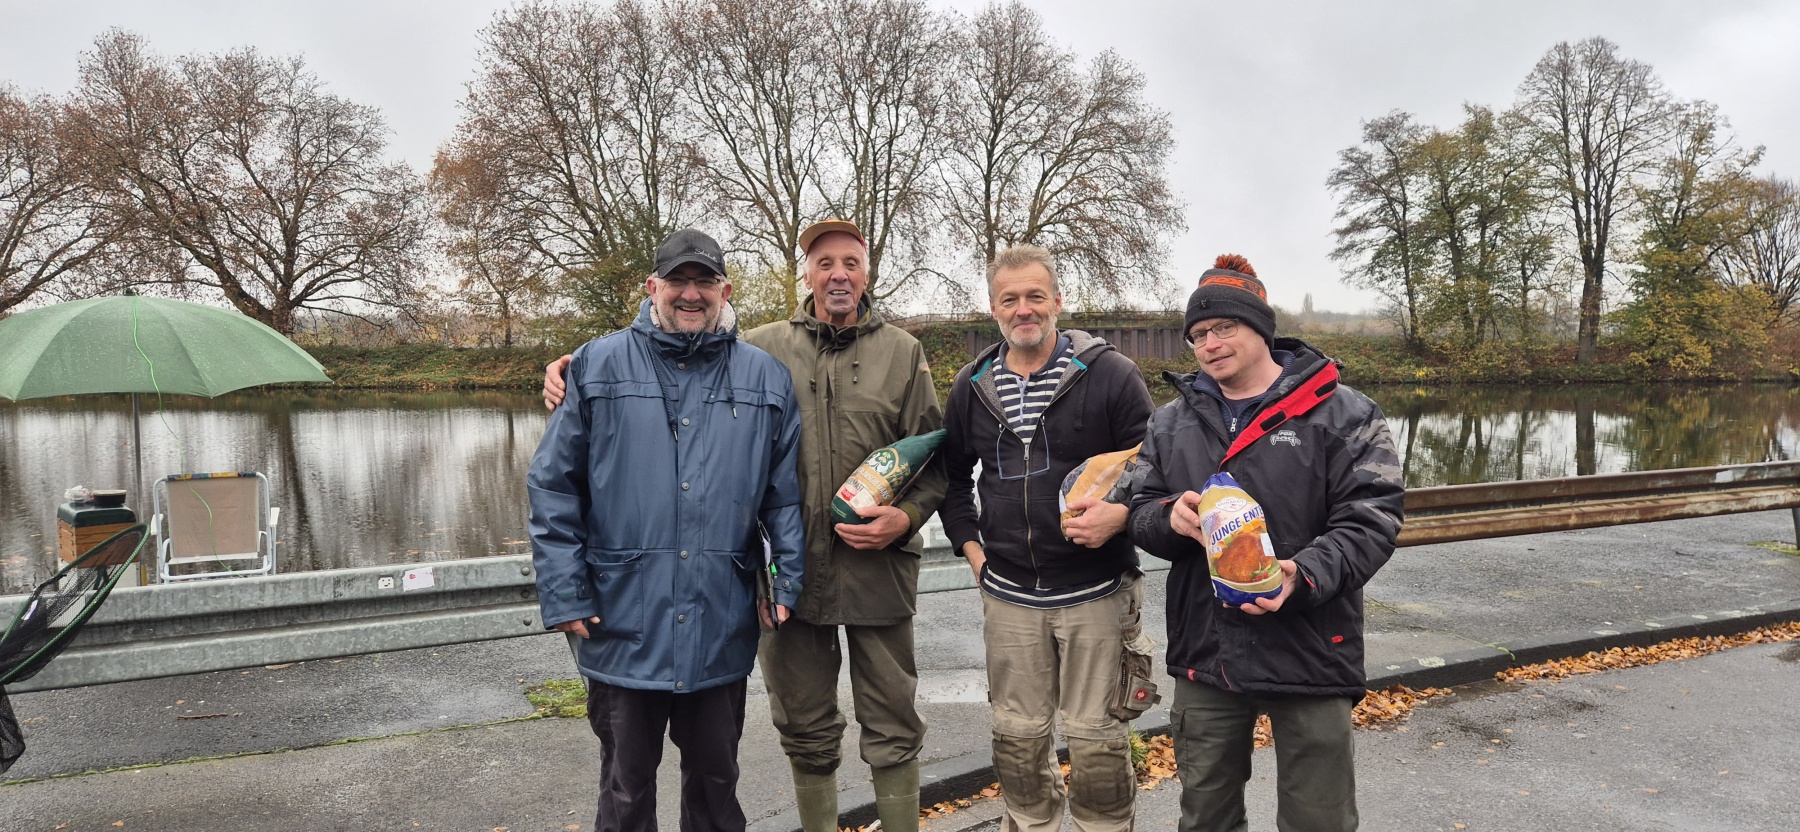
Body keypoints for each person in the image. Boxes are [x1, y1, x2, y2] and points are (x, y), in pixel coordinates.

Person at [543, 219, 946, 832]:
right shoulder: (759, 349)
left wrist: (906, 517)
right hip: (731, 600)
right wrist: (569, 371)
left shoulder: (891, 353)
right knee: (796, 732)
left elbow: (930, 459)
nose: (838, 275)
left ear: (868, 273)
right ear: (806, 274)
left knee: (886, 728)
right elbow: (563, 473)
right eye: (824, 263)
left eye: (851, 263)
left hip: (864, 576)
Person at [528, 228, 806, 832]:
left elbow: (782, 498)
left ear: (725, 290)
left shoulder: (766, 377)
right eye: (678, 280)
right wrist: (565, 591)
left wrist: (784, 580)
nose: (691, 293)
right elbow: (553, 488)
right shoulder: (596, 365)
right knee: (626, 793)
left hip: (719, 617)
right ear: (652, 287)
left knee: (716, 790)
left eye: (705, 281)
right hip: (622, 621)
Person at [1125, 255, 1404, 832]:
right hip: (1207, 653)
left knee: (1319, 821)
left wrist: (1303, 575)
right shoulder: (1170, 422)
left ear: (1261, 328)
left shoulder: (1343, 413)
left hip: (1312, 648)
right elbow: (1138, 509)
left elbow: (1373, 519)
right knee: (1206, 819)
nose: (1210, 344)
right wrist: (1168, 518)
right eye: (1198, 334)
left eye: (1224, 327)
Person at [938, 245, 1155, 832]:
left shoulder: (1110, 374)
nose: (1023, 309)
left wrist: (1119, 515)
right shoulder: (971, 386)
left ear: (1058, 301)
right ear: (994, 308)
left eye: (1035, 296)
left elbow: (1155, 465)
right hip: (1009, 596)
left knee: (1097, 742)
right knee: (1017, 741)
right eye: (1009, 299)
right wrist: (974, 555)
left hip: (1097, 592)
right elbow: (952, 481)